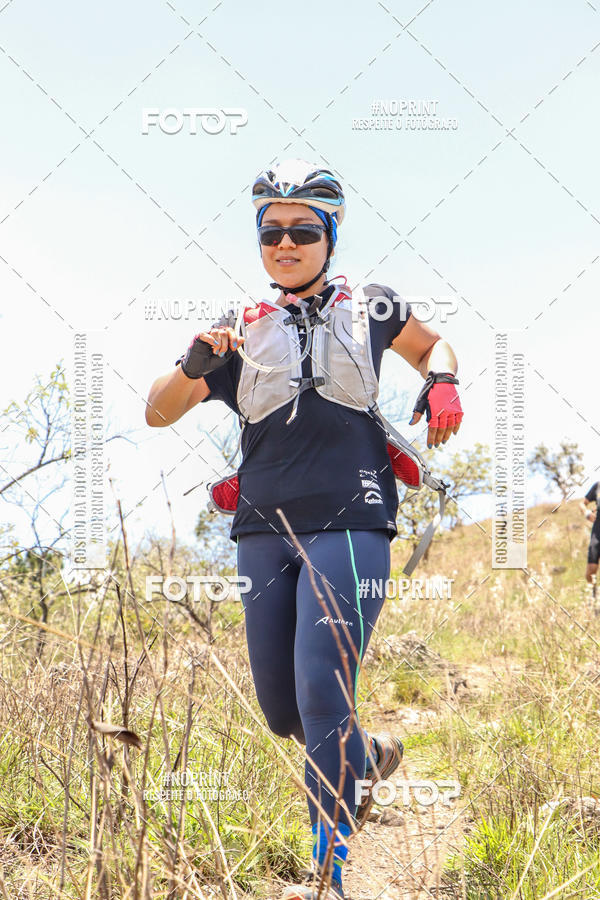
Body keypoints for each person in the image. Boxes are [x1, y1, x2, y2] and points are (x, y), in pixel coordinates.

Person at [146, 159, 463, 899]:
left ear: (329, 236)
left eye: (302, 231)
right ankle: (369, 753)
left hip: (353, 518)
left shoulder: (373, 307)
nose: (285, 245)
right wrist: (192, 364)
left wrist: (442, 380)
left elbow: (433, 345)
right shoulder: (236, 334)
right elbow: (158, 411)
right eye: (271, 234)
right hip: (262, 527)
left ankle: (330, 875)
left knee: (323, 686)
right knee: (284, 712)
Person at [581, 482, 599, 598]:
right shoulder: (598, 486)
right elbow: (582, 504)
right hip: (597, 532)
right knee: (590, 571)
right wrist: (586, 513)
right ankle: (593, 598)